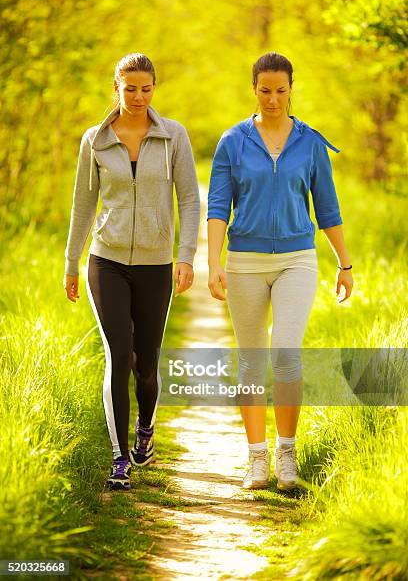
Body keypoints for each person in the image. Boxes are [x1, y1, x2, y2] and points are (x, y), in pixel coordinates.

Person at [207, 52, 353, 491]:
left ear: (292, 89)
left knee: (286, 352)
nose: (273, 99)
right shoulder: (232, 141)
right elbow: (218, 207)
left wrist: (344, 264)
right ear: (253, 88)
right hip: (245, 262)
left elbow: (326, 208)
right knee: (251, 361)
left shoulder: (309, 143)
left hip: (297, 259)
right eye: (265, 90)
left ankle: (286, 451)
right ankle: (256, 458)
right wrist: (213, 262)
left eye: (281, 90)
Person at [64, 53, 200, 490]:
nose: (138, 96)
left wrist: (185, 255)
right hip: (106, 259)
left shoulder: (173, 136)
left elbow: (190, 200)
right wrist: (72, 261)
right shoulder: (96, 140)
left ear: (154, 88)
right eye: (130, 89)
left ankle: (145, 430)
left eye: (146, 88)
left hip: (156, 262)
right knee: (118, 354)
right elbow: (84, 206)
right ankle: (119, 458)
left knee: (147, 360)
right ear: (116, 88)